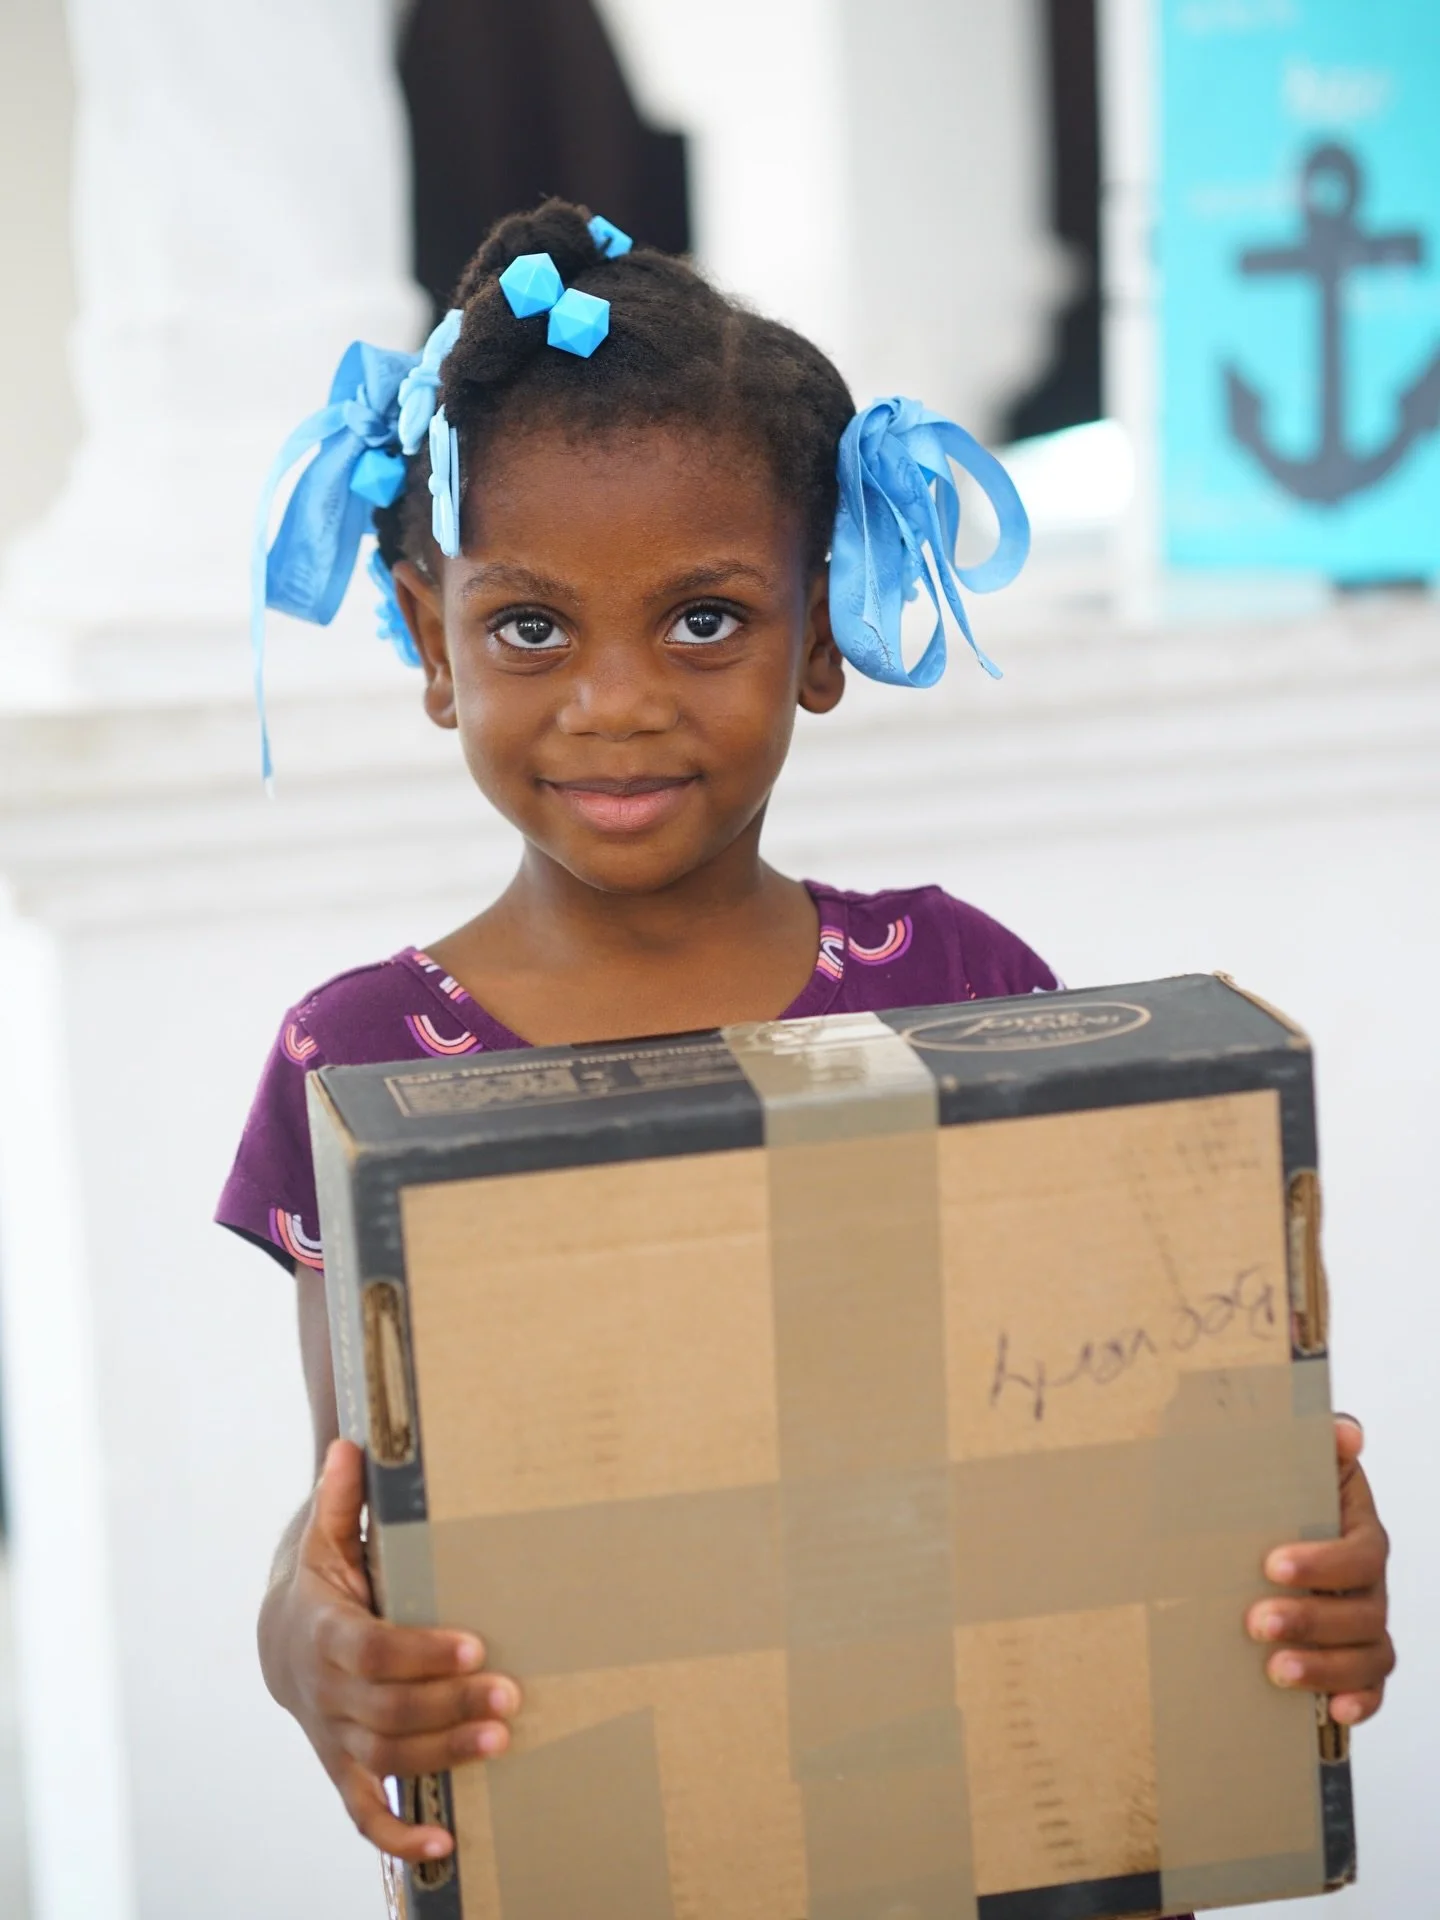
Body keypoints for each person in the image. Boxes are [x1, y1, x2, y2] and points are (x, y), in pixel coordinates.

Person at [219, 199, 1394, 1875]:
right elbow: (344, 1526)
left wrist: (1298, 1570)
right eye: (529, 627)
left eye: (705, 620)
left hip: (1002, 1839)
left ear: (824, 629)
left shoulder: (964, 989)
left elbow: (1115, 1460)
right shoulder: (365, 1063)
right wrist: (308, 1655)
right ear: (428, 637)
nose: (614, 698)